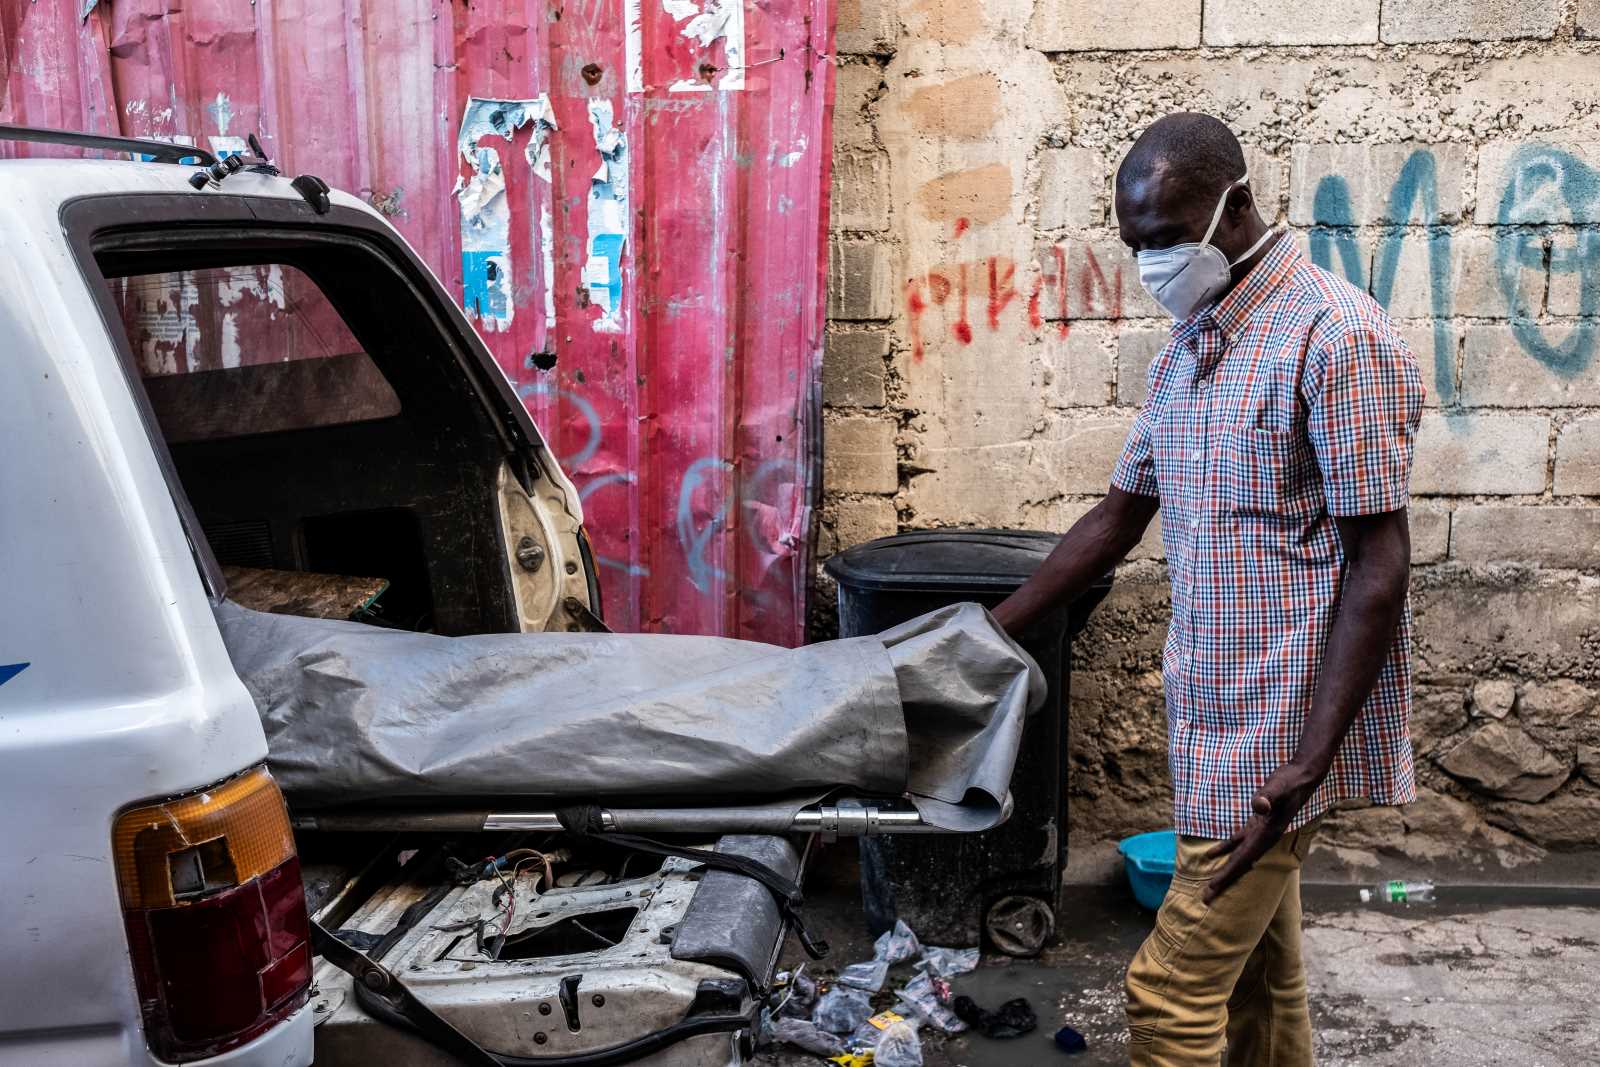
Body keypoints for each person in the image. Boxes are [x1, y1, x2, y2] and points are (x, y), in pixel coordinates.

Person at [991, 113, 1423, 1066]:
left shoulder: (1334, 336)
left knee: (1169, 995)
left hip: (1277, 736)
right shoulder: (1193, 343)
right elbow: (1116, 517)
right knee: (1267, 986)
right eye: (1135, 242)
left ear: (1233, 207)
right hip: (1212, 714)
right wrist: (991, 633)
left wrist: (1309, 761)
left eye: (1166, 237)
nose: (1151, 262)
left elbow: (1379, 564)